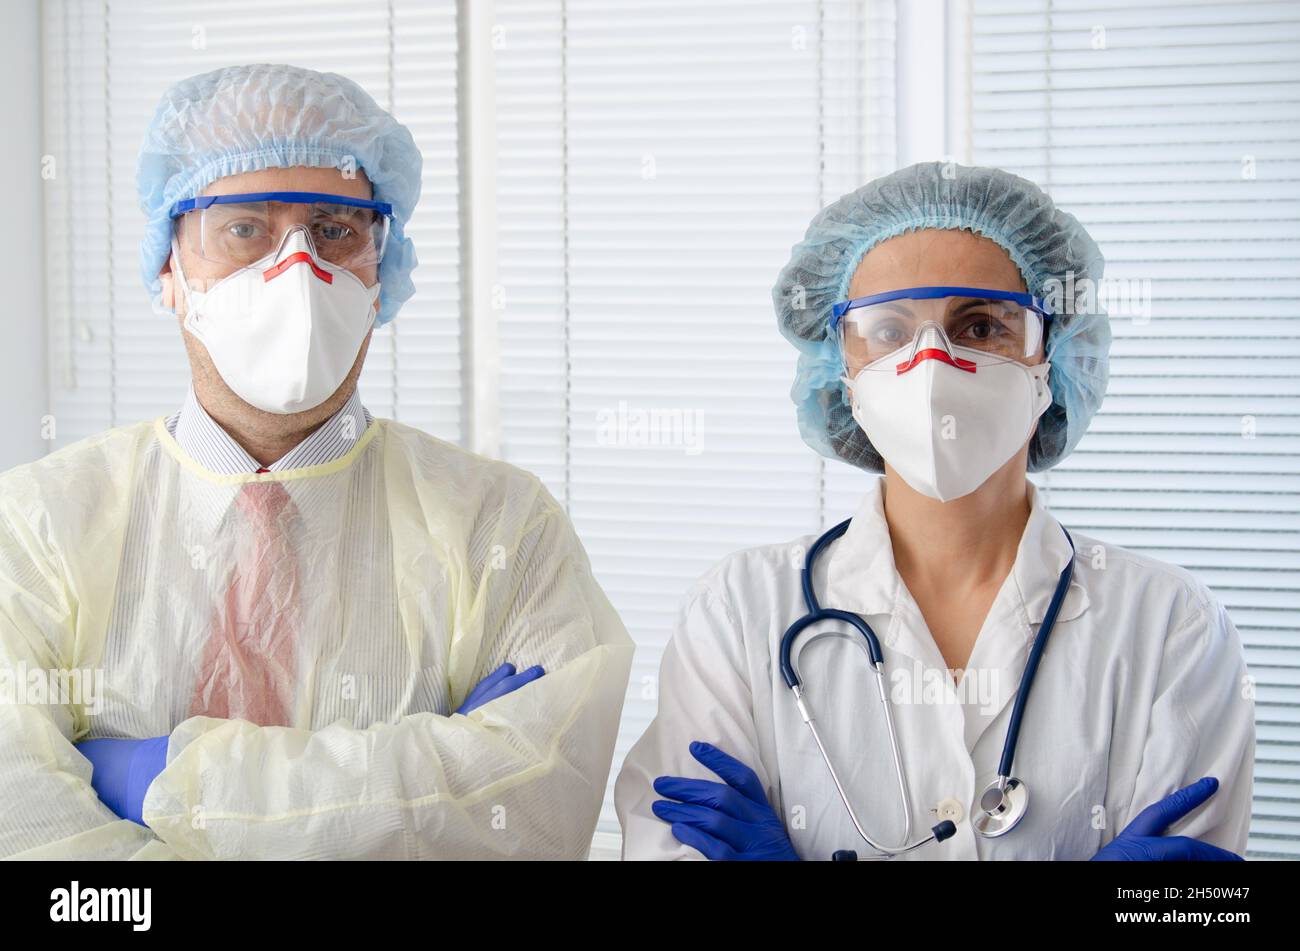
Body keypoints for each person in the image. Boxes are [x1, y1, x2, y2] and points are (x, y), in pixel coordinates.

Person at [0, 64, 633, 860]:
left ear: (380, 272)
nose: (297, 270)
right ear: (170, 267)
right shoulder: (33, 528)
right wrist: (427, 777)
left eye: (335, 228)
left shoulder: (501, 528)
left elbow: (531, 816)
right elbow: (26, 841)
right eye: (243, 229)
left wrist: (168, 775)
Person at [615, 162, 1255, 861]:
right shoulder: (737, 614)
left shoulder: (1172, 628)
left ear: (1055, 356)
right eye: (888, 331)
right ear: (840, 367)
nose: (932, 364)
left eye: (979, 326)